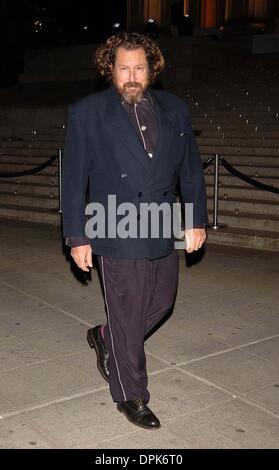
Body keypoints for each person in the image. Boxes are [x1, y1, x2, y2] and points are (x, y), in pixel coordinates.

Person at [62, 32, 207, 430]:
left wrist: (195, 220)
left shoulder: (175, 108)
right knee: (128, 313)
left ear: (152, 70)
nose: (131, 76)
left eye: (139, 68)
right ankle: (131, 394)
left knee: (161, 301)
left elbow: (190, 169)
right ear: (110, 69)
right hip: (113, 221)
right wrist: (78, 237)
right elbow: (73, 179)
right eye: (123, 67)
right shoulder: (87, 112)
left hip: (160, 222)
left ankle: (106, 336)